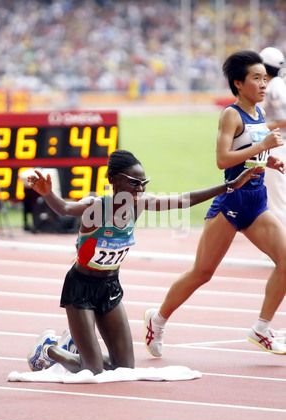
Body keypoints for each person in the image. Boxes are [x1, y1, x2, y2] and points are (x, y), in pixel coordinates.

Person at [26, 149, 258, 375]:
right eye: (134, 183)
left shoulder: (139, 204)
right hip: (81, 288)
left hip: (110, 287)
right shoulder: (96, 206)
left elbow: (183, 201)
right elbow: (66, 209)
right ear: (114, 181)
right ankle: (49, 349)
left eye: (143, 182)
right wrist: (48, 193)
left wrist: (229, 186)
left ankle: (76, 347)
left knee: (125, 367)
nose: (141, 188)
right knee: (92, 371)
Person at [144, 50, 286, 358]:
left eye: (265, 78)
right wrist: (262, 146)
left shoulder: (258, 113)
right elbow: (223, 160)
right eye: (257, 79)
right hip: (231, 203)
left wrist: (267, 160)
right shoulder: (231, 114)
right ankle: (158, 319)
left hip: (257, 202)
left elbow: (248, 152)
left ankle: (261, 329)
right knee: (203, 273)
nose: (264, 85)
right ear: (238, 83)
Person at [259, 47, 286, 226]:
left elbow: (284, 119)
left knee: (276, 199)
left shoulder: (274, 87)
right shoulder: (277, 84)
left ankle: (278, 250)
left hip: (277, 144)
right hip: (277, 142)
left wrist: (257, 127)